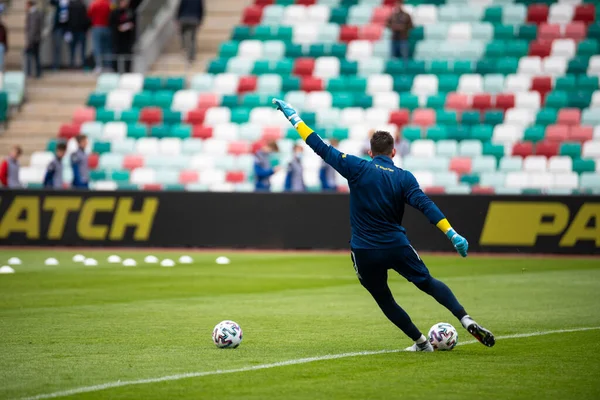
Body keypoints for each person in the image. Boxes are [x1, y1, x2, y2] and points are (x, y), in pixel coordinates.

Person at [272, 98, 495, 352]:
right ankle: (465, 318)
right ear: (394, 152)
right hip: (396, 245)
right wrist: (451, 232)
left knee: (384, 298)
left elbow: (320, 147)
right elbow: (425, 205)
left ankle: (421, 342)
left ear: (370, 152)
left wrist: (294, 118)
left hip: (364, 249)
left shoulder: (357, 168)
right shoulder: (404, 178)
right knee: (428, 283)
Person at [109, 0, 136, 73]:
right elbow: (112, 24)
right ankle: (115, 70)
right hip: (118, 38)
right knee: (116, 54)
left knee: (127, 54)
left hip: (127, 38)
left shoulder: (130, 12)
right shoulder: (115, 12)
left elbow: (133, 23)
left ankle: (127, 70)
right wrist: (119, 28)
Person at [88, 0, 112, 73]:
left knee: (97, 47)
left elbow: (89, 14)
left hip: (97, 27)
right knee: (107, 48)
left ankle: (99, 66)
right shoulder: (109, 4)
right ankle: (108, 66)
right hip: (107, 27)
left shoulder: (95, 4)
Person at [68, 0, 91, 69]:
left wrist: (68, 30)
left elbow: (68, 18)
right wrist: (86, 29)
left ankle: (72, 64)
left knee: (72, 49)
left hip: (73, 30)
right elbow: (86, 18)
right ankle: (83, 65)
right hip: (81, 31)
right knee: (82, 49)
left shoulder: (70, 5)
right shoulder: (82, 5)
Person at [50, 0, 71, 70]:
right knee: (57, 48)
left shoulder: (69, 3)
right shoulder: (58, 3)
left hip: (66, 29)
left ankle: (70, 65)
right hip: (58, 28)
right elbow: (51, 2)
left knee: (69, 47)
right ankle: (56, 65)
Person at [25, 0, 43, 78]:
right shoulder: (36, 13)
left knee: (31, 57)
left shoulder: (33, 14)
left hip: (33, 40)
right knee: (36, 56)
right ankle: (37, 72)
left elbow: (33, 28)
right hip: (36, 39)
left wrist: (29, 41)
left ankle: (31, 73)